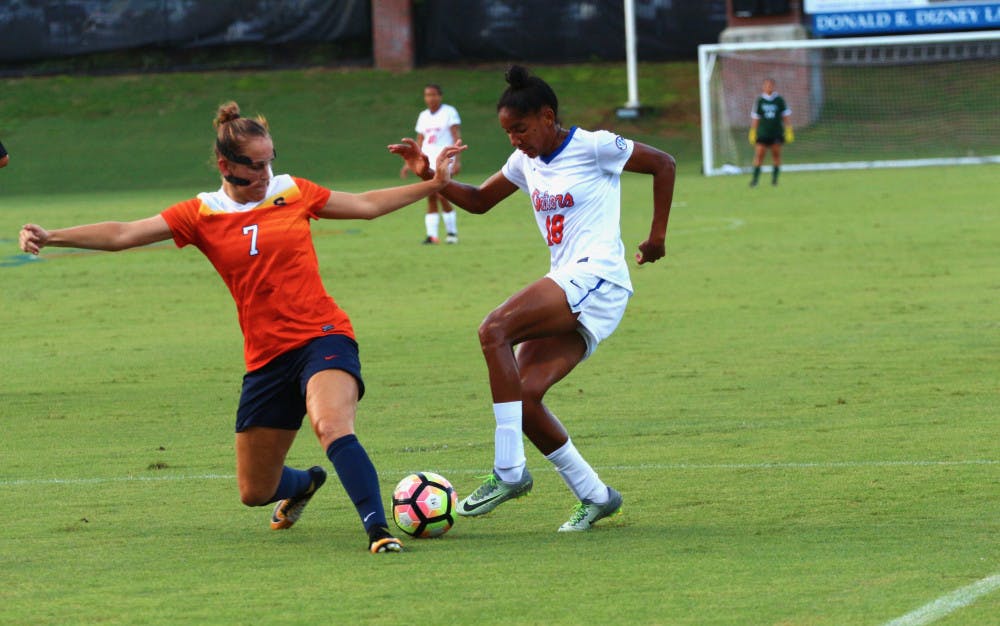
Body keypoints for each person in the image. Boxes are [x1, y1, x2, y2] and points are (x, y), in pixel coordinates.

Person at [19, 101, 464, 554]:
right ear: (225, 165)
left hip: (323, 335)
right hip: (267, 358)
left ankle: (378, 530)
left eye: (271, 160)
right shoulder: (200, 213)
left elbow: (367, 206)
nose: (268, 173)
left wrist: (432, 183)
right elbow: (122, 234)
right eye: (257, 165)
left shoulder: (293, 191)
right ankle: (307, 482)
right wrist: (52, 235)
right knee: (254, 491)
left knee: (331, 425)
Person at [389, 65, 676, 532]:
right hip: (570, 282)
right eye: (506, 132)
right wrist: (432, 177)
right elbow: (480, 200)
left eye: (519, 129)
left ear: (547, 117)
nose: (514, 140)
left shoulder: (594, 146)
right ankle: (596, 496)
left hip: (597, 276)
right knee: (522, 397)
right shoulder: (526, 163)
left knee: (493, 329)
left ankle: (509, 472)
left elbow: (664, 162)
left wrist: (656, 236)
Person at [400, 83, 462, 244]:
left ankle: (452, 233)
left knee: (443, 194)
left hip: (444, 159)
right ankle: (432, 236)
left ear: (440, 96)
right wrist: (411, 162)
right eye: (427, 95)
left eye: (434, 94)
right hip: (427, 160)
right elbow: (420, 140)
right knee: (430, 195)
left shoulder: (449, 112)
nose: (431, 98)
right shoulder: (423, 116)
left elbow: (456, 135)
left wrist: (457, 160)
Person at [748, 78, 793, 187]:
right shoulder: (759, 101)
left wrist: (789, 130)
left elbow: (785, 116)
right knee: (759, 155)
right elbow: (756, 118)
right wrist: (753, 131)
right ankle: (755, 181)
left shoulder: (779, 100)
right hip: (763, 133)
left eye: (770, 85)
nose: (768, 87)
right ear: (763, 87)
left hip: (776, 133)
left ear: (773, 86)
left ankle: (774, 180)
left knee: (776, 156)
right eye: (766, 85)